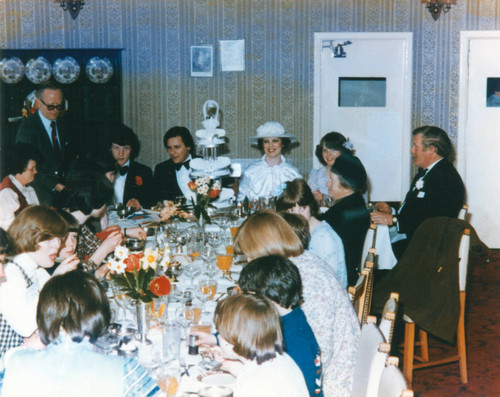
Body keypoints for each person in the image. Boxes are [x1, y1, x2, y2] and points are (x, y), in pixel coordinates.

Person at [234, 210, 359, 397]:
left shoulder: (305, 281)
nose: (249, 263)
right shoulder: (297, 263)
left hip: (329, 385)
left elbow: (316, 354)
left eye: (250, 257)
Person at [1, 270, 160, 397]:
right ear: (100, 315)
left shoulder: (15, 362)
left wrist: (19, 351)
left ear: (44, 316)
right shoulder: (125, 369)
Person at [370, 126, 465, 259]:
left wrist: (394, 220)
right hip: (415, 239)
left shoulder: (446, 179)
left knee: (374, 251)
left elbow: (434, 222)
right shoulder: (428, 173)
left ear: (432, 149)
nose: (411, 151)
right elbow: (418, 210)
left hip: (424, 250)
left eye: (415, 146)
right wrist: (392, 211)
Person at [238, 255, 323, 397]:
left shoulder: (295, 343)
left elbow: (301, 391)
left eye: (249, 298)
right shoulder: (288, 318)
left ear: (266, 297)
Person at [0, 206, 78, 358]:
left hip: (27, 359)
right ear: (29, 236)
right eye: (49, 239)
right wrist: (56, 278)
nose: (58, 245)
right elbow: (25, 326)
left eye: (59, 238)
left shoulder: (37, 270)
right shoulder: (9, 272)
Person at [212, 293, 309, 397]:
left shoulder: (253, 384)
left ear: (235, 339)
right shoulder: (280, 358)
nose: (218, 337)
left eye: (220, 333)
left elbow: (256, 384)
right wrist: (231, 366)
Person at [277, 179, 347, 287]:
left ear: (311, 207)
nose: (298, 215)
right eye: (291, 210)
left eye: (303, 208)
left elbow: (324, 283)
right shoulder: (307, 230)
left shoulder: (322, 237)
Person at [16, 82, 75, 208]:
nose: (56, 111)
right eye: (51, 107)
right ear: (38, 103)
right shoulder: (27, 129)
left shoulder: (64, 124)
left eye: (59, 106)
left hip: (64, 191)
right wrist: (54, 185)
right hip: (40, 194)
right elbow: (27, 167)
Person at [63, 171, 125, 278]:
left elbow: (95, 245)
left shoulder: (80, 224)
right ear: (98, 201)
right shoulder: (61, 228)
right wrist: (104, 249)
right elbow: (74, 275)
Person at [321, 153, 370, 286]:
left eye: (332, 180)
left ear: (347, 186)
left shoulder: (342, 213)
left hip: (337, 280)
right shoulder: (354, 203)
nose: (327, 184)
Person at [237, 121, 302, 201]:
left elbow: (299, 200)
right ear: (262, 144)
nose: (270, 145)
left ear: (283, 143)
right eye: (266, 141)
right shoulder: (251, 171)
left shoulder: (292, 172)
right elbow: (241, 200)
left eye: (275, 141)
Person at [109, 124, 154, 210]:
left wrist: (140, 205)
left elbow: (152, 200)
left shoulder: (144, 171)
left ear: (132, 149)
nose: (121, 153)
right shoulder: (101, 170)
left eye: (125, 149)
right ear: (110, 148)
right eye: (116, 148)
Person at [0, 143, 42, 230]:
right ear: (19, 168)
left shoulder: (29, 189)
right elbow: (9, 231)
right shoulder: (7, 193)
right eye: (32, 169)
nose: (36, 171)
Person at [308, 132, 354, 204]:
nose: (329, 154)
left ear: (342, 151)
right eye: (325, 150)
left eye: (333, 150)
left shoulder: (351, 174)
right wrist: (314, 197)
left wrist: (325, 199)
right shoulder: (315, 175)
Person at [153, 126, 197, 202]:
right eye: (169, 148)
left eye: (177, 147)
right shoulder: (161, 169)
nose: (172, 152)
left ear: (188, 146)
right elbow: (158, 200)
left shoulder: (204, 163)